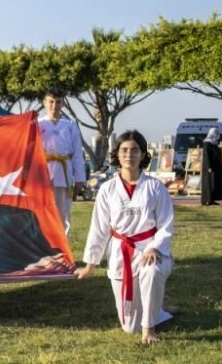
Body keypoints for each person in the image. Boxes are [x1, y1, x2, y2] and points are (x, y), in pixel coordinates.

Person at [75, 130, 175, 345]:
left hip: (151, 250)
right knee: (130, 327)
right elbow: (99, 229)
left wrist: (154, 247)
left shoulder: (155, 187)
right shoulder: (107, 189)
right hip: (121, 254)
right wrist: (90, 265)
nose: (129, 155)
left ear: (143, 154)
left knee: (152, 270)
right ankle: (159, 308)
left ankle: (149, 328)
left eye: (135, 150)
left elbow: (166, 223)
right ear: (117, 155)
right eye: (124, 150)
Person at [37, 88, 86, 236]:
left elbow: (77, 153)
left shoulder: (70, 126)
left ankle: (64, 251)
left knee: (63, 214)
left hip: (63, 174)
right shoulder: (37, 124)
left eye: (58, 102)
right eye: (51, 101)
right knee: (42, 213)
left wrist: (79, 179)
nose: (54, 105)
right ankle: (45, 251)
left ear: (63, 104)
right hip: (42, 173)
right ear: (44, 103)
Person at [200, 128, 222, 206]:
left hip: (216, 167)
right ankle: (207, 200)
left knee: (214, 183)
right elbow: (206, 156)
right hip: (210, 168)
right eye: (216, 133)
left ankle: (212, 199)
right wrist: (208, 166)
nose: (217, 135)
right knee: (209, 183)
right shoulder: (207, 143)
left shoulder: (214, 143)